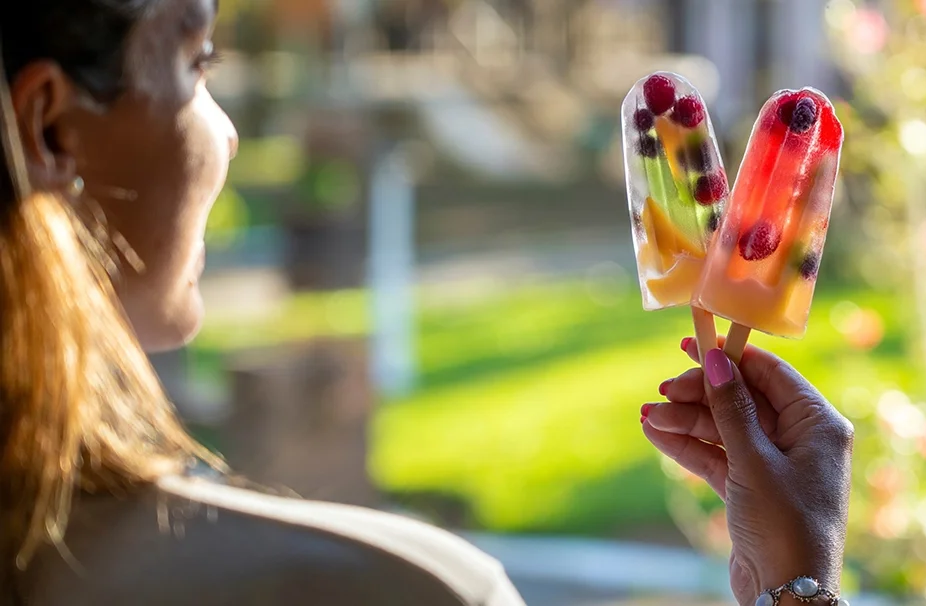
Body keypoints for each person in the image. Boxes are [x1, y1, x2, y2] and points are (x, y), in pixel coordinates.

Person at [0, 1, 854, 605]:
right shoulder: (406, 590)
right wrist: (796, 586)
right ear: (48, 127)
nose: (227, 132)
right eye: (198, 64)